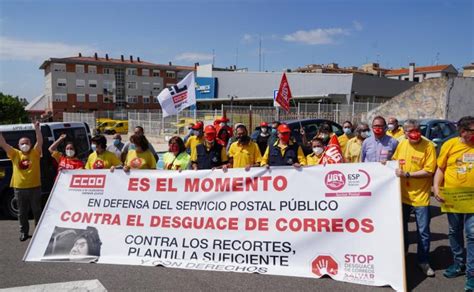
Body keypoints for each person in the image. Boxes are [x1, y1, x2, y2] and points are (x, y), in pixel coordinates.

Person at [433, 116, 474, 290]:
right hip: (452, 197)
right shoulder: (449, 145)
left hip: (472, 198)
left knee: (472, 234)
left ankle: (472, 275)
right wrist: (436, 187)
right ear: (463, 132)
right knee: (454, 230)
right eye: (473, 130)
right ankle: (459, 263)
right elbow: (440, 168)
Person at [392, 119, 437, 277]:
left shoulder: (428, 145)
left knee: (423, 231)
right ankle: (403, 254)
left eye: (417, 129)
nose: (414, 133)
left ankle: (423, 261)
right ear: (404, 133)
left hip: (421, 197)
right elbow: (394, 163)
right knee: (402, 228)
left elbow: (429, 170)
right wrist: (386, 165)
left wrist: (408, 174)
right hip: (403, 196)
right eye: (410, 131)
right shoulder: (402, 144)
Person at [0, 121, 43, 241]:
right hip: (19, 188)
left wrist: (37, 129)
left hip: (35, 187)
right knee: (22, 212)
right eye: (22, 143)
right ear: (18, 145)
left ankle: (39, 232)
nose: (25, 145)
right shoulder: (15, 154)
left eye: (27, 142)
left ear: (30, 143)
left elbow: (39, 141)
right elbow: (3, 144)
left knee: (37, 211)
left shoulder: (35, 153)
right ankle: (24, 232)